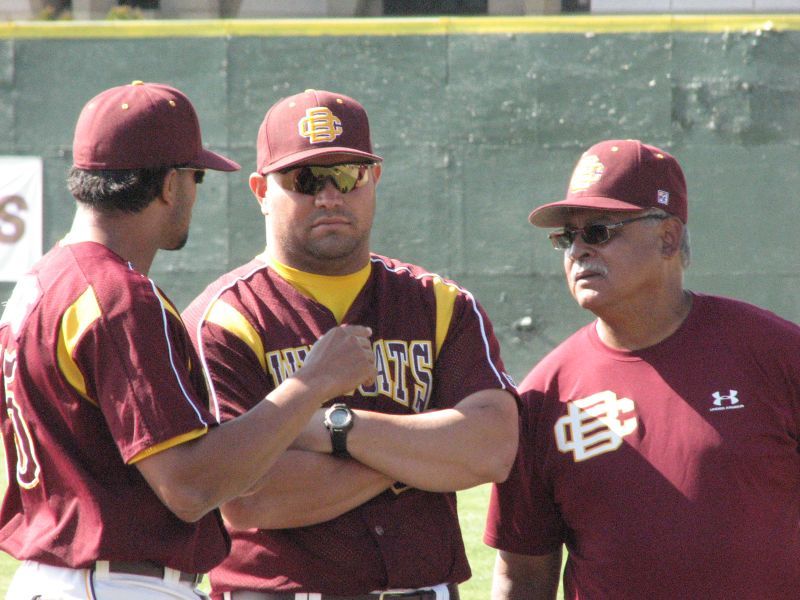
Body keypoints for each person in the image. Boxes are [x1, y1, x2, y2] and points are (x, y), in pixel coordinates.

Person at [0, 81, 377, 600]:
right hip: (114, 584)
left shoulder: (40, 283)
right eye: (197, 176)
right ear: (171, 185)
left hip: (56, 576)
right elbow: (191, 486)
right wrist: (313, 383)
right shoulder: (118, 296)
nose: (195, 193)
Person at [182, 88, 520, 600]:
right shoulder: (225, 319)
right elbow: (248, 496)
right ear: (259, 190)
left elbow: (492, 447)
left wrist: (337, 430)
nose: (330, 196)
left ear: (375, 178)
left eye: (348, 175)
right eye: (305, 179)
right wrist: (418, 458)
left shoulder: (439, 303)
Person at [484, 138, 800, 599]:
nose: (577, 252)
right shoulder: (544, 397)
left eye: (598, 231)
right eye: (566, 238)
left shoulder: (774, 353)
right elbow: (522, 575)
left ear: (668, 237)